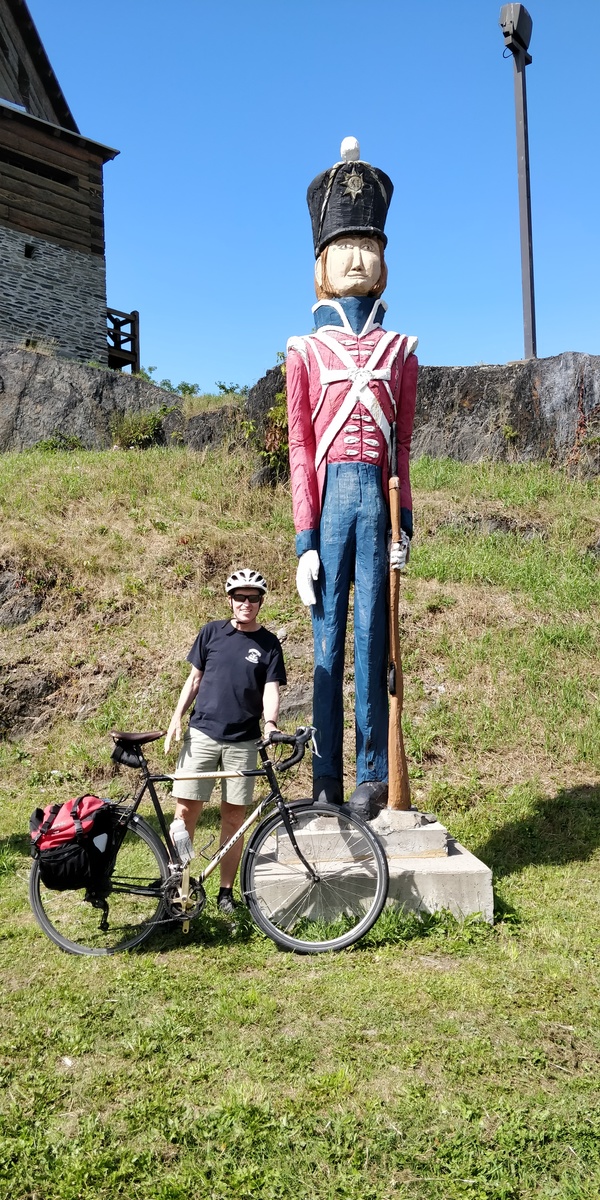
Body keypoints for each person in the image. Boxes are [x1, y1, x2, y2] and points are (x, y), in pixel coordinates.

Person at [286, 137, 418, 807]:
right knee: (325, 642)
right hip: (331, 495)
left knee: (373, 639)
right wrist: (304, 540)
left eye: (368, 245)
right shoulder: (304, 351)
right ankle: (324, 778)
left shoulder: (402, 350)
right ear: (322, 262)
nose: (358, 258)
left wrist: (406, 527)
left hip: (379, 499)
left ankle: (371, 774)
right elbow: (300, 447)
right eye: (345, 246)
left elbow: (403, 449)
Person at [164, 568, 286, 913]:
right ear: (230, 600)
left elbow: (271, 689)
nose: (246, 603)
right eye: (240, 597)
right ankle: (179, 886)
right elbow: (194, 679)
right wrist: (176, 718)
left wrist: (270, 724)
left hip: (243, 741)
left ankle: (225, 893)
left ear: (261, 601)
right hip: (202, 733)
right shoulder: (211, 632)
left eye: (253, 597)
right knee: (185, 812)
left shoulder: (269, 644)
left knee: (234, 819)